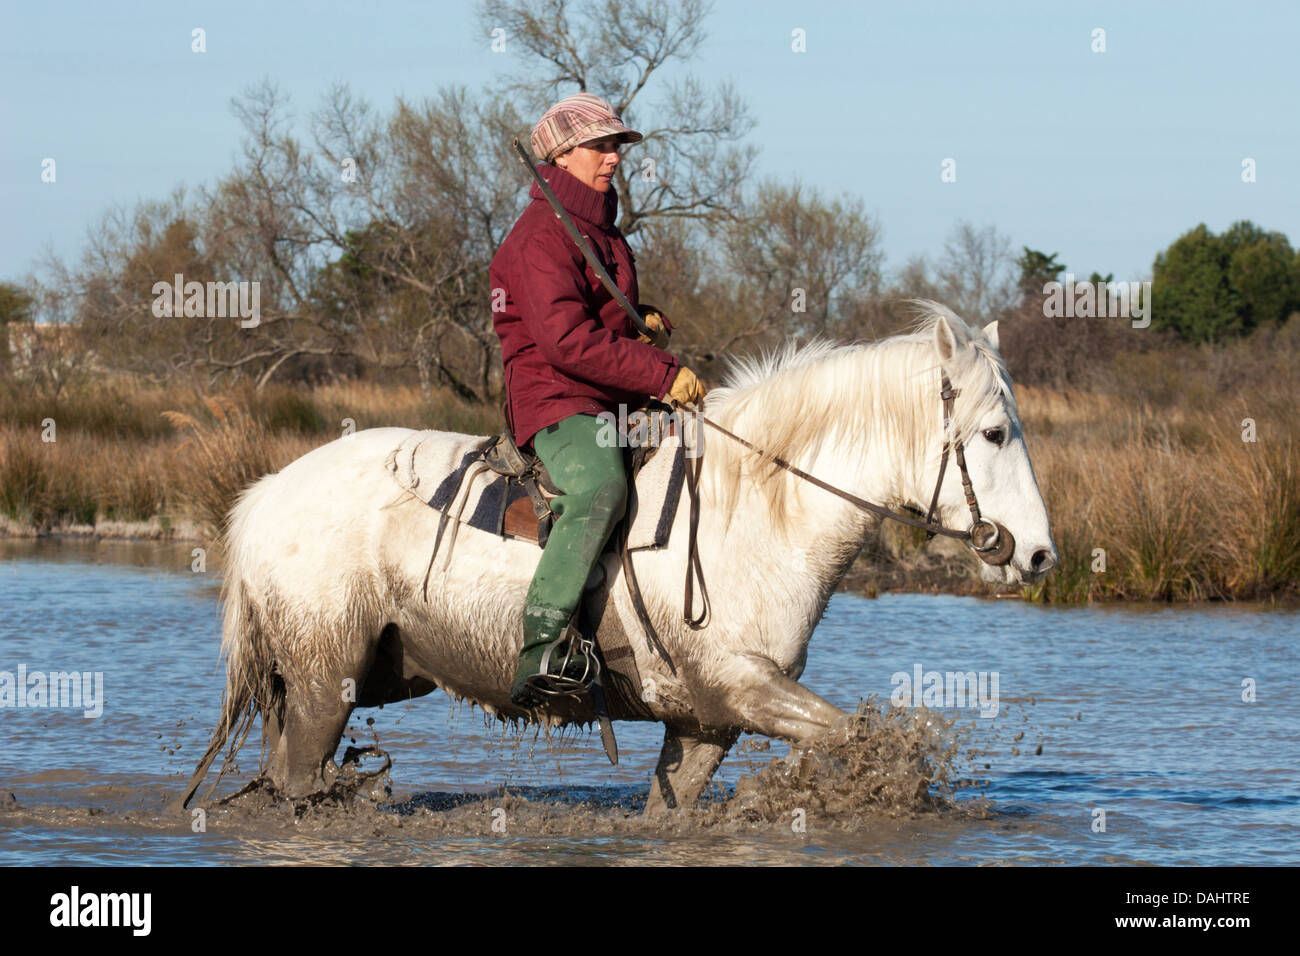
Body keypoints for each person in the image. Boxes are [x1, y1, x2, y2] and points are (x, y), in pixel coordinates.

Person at [489, 92, 706, 707]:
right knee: (601, 488)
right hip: (559, 401)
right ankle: (544, 646)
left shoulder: (597, 226)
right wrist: (661, 373)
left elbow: (595, 314)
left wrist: (638, 319)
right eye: (601, 146)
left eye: (617, 146)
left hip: (608, 397)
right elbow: (565, 341)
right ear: (560, 155)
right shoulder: (538, 236)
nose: (614, 158)